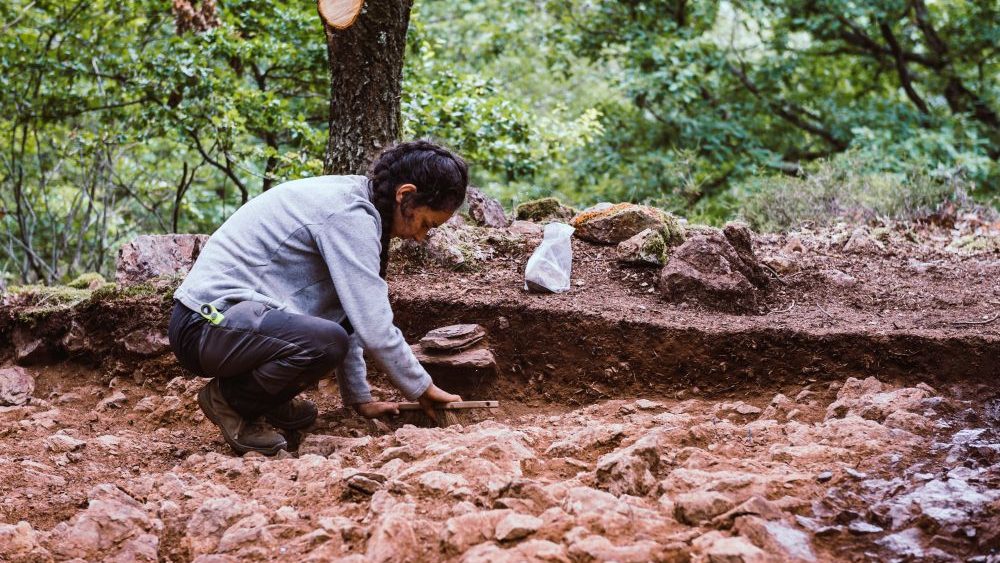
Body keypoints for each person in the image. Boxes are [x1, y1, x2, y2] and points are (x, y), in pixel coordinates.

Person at [167, 140, 467, 455]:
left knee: (327, 336)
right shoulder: (349, 216)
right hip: (203, 325)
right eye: (424, 224)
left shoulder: (357, 209)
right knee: (324, 342)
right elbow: (374, 329)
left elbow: (348, 316)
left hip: (228, 324)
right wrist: (422, 388)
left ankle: (267, 398)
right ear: (404, 195)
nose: (420, 237)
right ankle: (232, 401)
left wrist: (360, 399)